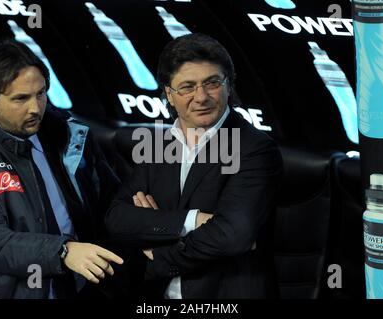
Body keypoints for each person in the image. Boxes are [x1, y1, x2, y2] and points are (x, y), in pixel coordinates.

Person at [105, 33, 283, 298]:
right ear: (169, 94)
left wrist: (159, 253)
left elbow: (233, 234)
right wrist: (194, 220)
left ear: (228, 85)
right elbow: (117, 219)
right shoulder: (158, 144)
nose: (201, 97)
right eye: (187, 87)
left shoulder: (255, 148)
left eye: (212, 83)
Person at [0, 39, 123, 299]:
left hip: (83, 286)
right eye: (21, 98)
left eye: (41, 93)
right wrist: (63, 251)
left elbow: (110, 199)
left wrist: (142, 224)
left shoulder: (72, 136)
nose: (35, 108)